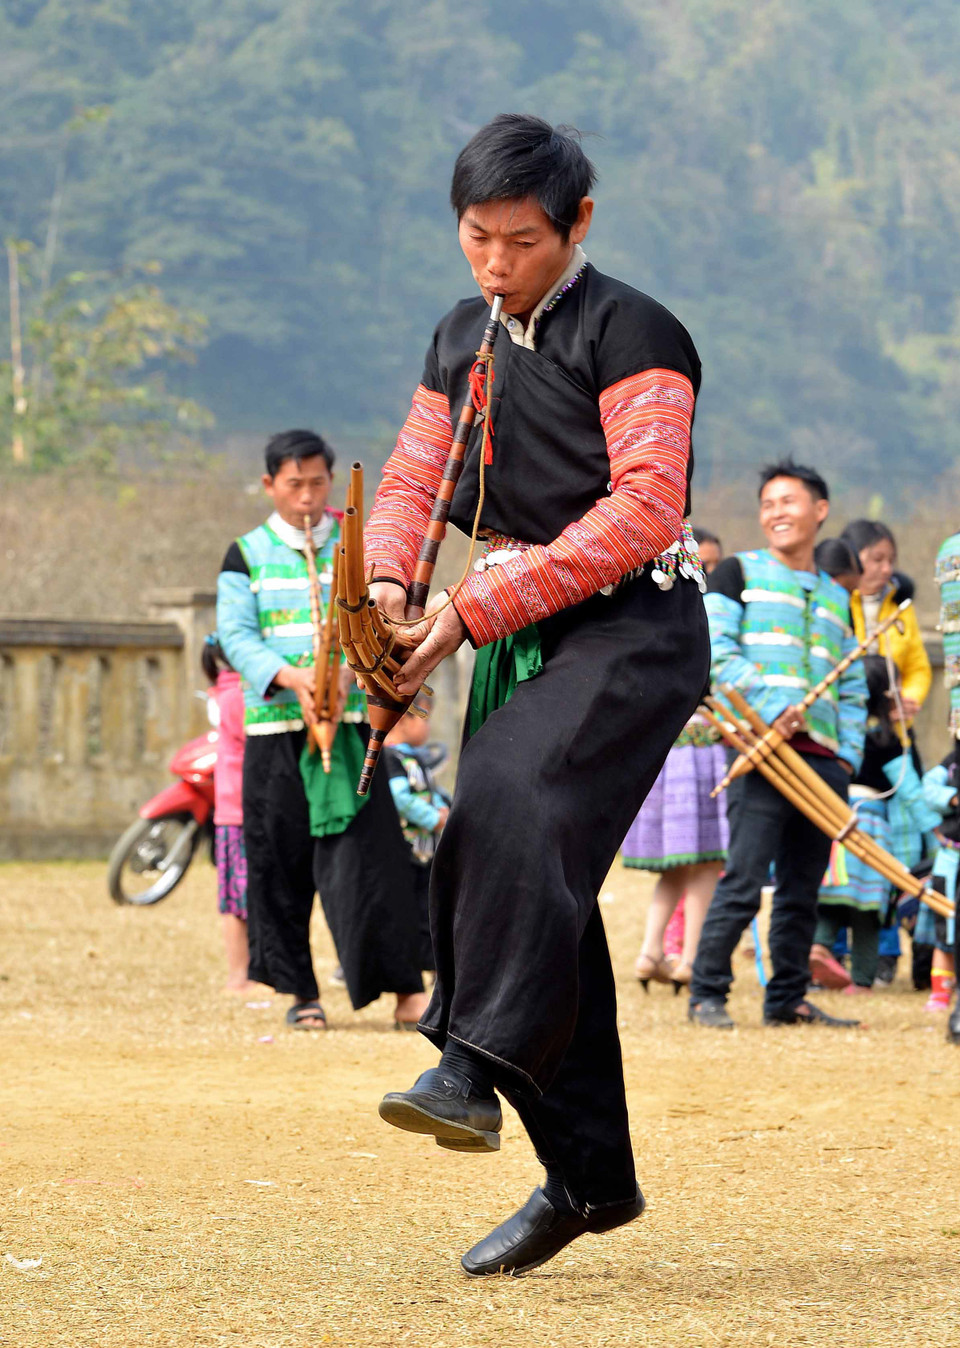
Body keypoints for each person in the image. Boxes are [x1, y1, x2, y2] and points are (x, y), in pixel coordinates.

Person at [365, 114, 709, 1276]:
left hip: (634, 630)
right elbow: (416, 474)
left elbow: (645, 510)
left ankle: (464, 1067)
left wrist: (466, 612)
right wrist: (384, 584)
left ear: (580, 225)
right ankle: (590, 1180)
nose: (495, 263)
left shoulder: (634, 329)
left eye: (521, 239)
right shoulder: (460, 334)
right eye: (477, 237)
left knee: (506, 797)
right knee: (531, 873)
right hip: (520, 628)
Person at [216, 429, 429, 1031]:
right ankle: (299, 991)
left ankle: (404, 991)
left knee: (374, 860)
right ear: (270, 486)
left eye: (317, 483)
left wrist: (346, 670)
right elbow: (235, 635)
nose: (307, 496)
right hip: (275, 729)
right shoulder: (245, 553)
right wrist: (289, 675)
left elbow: (385, 615)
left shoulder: (359, 545)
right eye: (294, 485)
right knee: (278, 862)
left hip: (355, 725)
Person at [688, 459, 867, 1029]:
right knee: (743, 877)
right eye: (768, 504)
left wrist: (848, 753)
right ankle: (707, 993)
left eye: (788, 501)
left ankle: (787, 999)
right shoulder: (738, 571)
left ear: (820, 511)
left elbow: (854, 683)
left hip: (824, 763)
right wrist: (771, 709)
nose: (775, 513)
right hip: (761, 752)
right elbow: (716, 651)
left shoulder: (841, 598)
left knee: (801, 888)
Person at [811, 656, 940, 993]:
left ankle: (819, 948)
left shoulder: (838, 732)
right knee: (867, 909)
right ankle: (862, 980)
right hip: (870, 826)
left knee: (830, 896)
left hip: (834, 821)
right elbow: (910, 790)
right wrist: (936, 828)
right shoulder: (886, 739)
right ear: (886, 695)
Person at [840, 518, 931, 983]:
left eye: (890, 560)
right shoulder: (837, 601)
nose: (885, 568)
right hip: (856, 740)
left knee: (906, 838)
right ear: (854, 560)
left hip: (896, 740)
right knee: (852, 843)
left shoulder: (903, 607)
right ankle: (839, 951)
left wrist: (909, 701)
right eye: (876, 559)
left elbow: (916, 666)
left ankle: (897, 948)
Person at [201, 635, 256, 994]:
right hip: (241, 809)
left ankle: (244, 974)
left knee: (235, 899)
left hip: (228, 809)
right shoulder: (240, 696)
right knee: (241, 901)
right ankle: (240, 975)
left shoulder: (220, 692)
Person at [383, 706, 449, 977]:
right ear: (402, 718)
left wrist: (445, 808)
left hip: (425, 852)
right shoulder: (391, 758)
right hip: (404, 852)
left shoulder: (416, 759)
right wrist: (434, 817)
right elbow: (401, 799)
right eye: (424, 719)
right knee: (405, 910)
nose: (428, 727)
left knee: (428, 909)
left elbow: (430, 792)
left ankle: (433, 965)